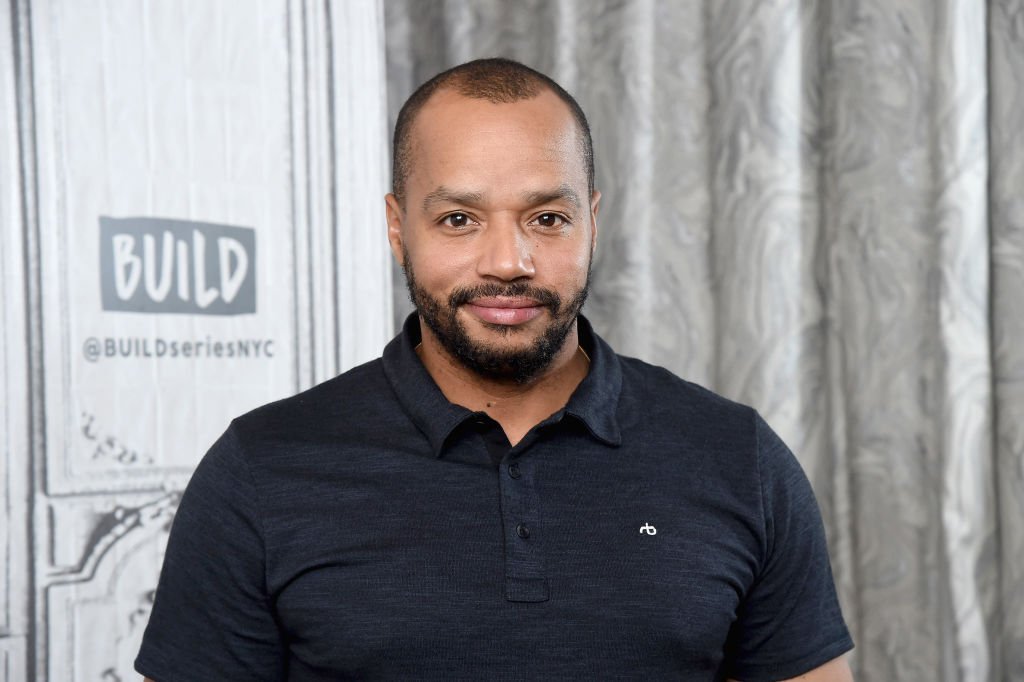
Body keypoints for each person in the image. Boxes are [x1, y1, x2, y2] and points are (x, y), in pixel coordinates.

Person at [135, 58, 854, 681]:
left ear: (592, 223)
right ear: (397, 228)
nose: (508, 262)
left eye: (547, 218)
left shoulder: (737, 456)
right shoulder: (261, 470)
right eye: (459, 220)